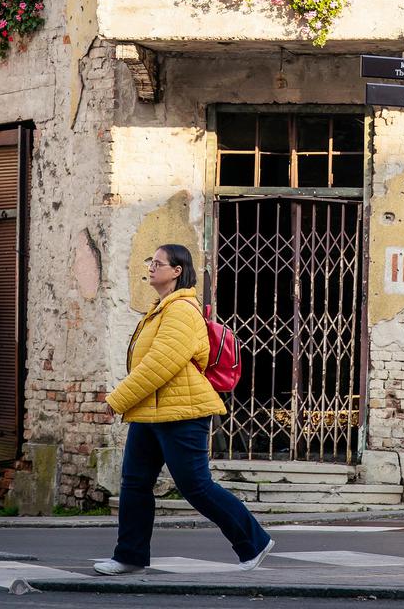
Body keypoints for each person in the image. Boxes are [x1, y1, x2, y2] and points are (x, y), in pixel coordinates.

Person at [95, 243, 273, 575]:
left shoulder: (181, 311)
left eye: (157, 262)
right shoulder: (160, 308)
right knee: (134, 483)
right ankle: (130, 555)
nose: (150, 267)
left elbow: (159, 365)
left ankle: (254, 541)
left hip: (183, 413)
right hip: (151, 411)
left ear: (177, 271)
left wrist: (117, 400)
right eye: (151, 261)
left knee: (196, 486)